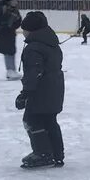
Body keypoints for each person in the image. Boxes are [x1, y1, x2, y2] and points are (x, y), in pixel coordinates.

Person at [15, 11, 66, 169]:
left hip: (41, 91)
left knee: (32, 120)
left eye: (24, 29)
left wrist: (24, 94)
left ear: (31, 30)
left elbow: (33, 73)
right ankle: (57, 153)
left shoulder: (34, 48)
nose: (23, 32)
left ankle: (43, 153)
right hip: (55, 88)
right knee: (50, 121)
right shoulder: (52, 43)